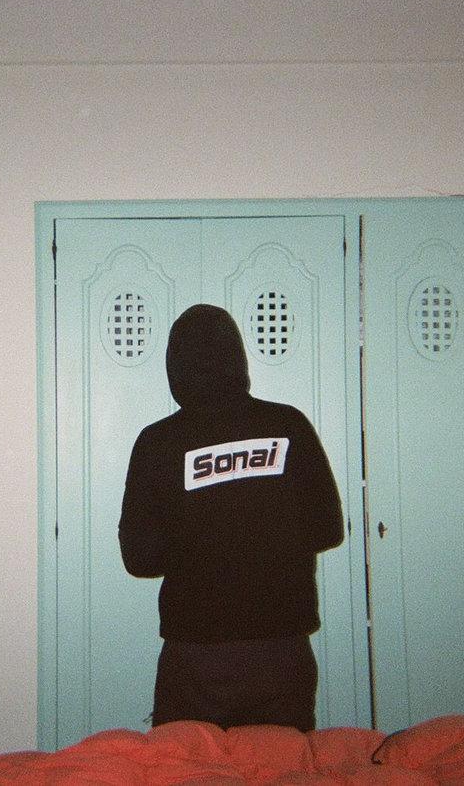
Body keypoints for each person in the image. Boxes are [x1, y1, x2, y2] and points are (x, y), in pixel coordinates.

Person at [118, 303, 344, 731]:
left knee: (189, 764)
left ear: (175, 368)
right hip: (282, 652)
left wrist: (200, 536)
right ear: (237, 359)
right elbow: (328, 530)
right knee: (280, 765)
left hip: (196, 656)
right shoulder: (288, 425)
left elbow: (139, 559)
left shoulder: (157, 442)